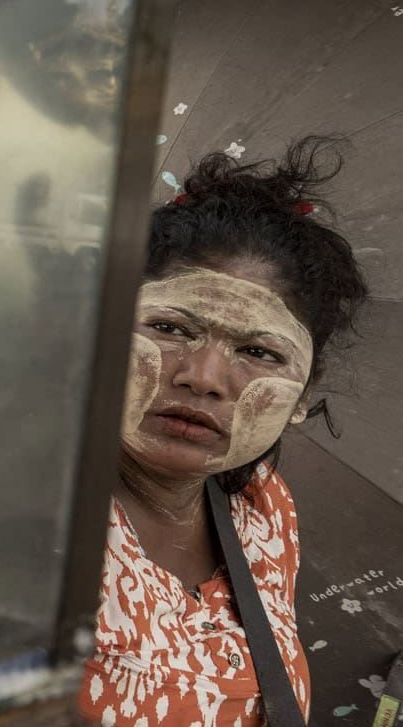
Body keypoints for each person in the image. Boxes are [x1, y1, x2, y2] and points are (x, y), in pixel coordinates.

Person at [81, 138, 368, 727]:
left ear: (303, 396)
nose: (204, 377)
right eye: (169, 326)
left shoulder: (261, 509)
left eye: (259, 351)